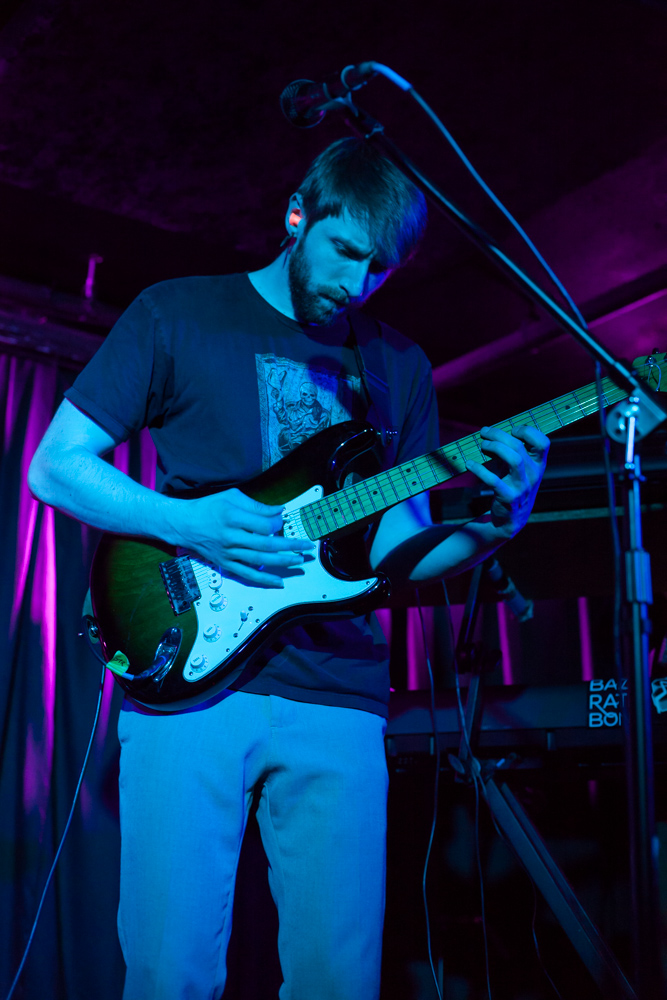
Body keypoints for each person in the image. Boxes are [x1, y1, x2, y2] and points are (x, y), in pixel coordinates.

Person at [28, 137, 549, 1000]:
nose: (358, 282)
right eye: (346, 250)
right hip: (192, 680)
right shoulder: (178, 313)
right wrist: (186, 519)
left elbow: (396, 553)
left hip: (339, 698)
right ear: (297, 214)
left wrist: (495, 528)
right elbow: (56, 465)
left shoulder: (396, 366)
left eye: (379, 269)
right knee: (170, 970)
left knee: (338, 979)